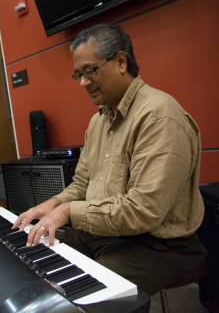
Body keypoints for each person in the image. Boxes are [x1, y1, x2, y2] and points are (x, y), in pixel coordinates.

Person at [13, 23, 207, 296]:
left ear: (120, 61)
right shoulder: (97, 121)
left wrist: (68, 212)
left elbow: (143, 211)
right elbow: (81, 185)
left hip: (158, 245)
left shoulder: (159, 116)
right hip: (107, 235)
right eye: (78, 74)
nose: (83, 82)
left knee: (85, 292)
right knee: (31, 252)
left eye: (90, 71)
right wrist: (51, 205)